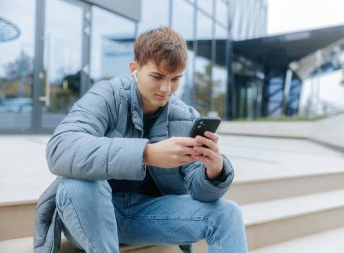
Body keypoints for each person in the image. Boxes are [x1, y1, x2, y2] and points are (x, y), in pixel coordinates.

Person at [33, 26, 248, 253]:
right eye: (157, 76)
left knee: (228, 213)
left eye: (175, 79)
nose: (166, 88)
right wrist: (147, 154)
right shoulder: (106, 95)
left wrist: (213, 171)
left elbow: (201, 193)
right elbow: (60, 149)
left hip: (148, 215)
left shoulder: (185, 117)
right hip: (91, 214)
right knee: (81, 182)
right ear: (134, 69)